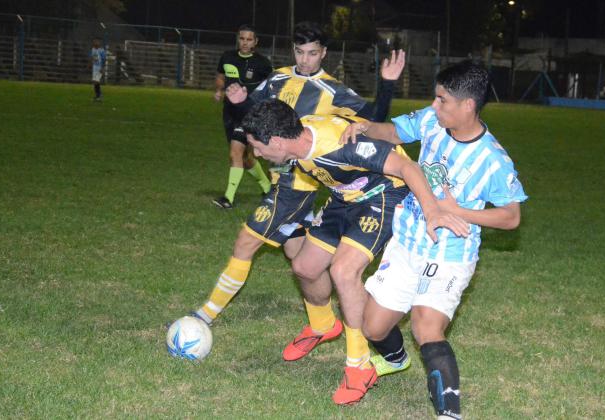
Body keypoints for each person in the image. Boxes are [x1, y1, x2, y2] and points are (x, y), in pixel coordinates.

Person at [240, 99, 469, 405]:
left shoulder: (340, 147)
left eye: (258, 147)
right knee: (304, 267)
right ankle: (323, 324)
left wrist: (432, 212)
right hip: (343, 198)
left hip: (382, 195)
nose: (256, 154)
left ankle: (358, 364)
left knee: (343, 271)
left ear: (278, 141)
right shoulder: (299, 135)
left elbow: (406, 166)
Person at [340, 60, 527, 419]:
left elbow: (511, 217)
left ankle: (449, 414)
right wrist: (366, 126)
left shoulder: (493, 160)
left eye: (442, 100)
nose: (435, 106)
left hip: (450, 255)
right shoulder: (431, 121)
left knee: (427, 325)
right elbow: (393, 132)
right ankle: (395, 360)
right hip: (407, 243)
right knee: (372, 326)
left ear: (467, 105)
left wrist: (458, 212)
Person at [191, 22, 404, 330]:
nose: (305, 60)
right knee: (299, 256)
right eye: (300, 52)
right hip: (280, 175)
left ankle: (203, 317)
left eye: (313, 53)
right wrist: (240, 104)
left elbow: (373, 119)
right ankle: (323, 324)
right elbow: (258, 118)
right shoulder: (277, 78)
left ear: (324, 53)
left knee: (246, 241)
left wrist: (386, 84)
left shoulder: (333, 90)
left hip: (298, 182)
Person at [212, 24, 273, 210]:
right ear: (238, 39)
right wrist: (219, 89)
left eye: (249, 39)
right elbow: (220, 76)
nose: (245, 42)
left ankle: (228, 199)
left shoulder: (263, 63)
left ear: (255, 42)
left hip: (249, 114)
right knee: (246, 159)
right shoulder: (227, 57)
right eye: (242, 38)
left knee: (235, 153)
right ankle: (268, 189)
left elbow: (272, 87)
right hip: (229, 112)